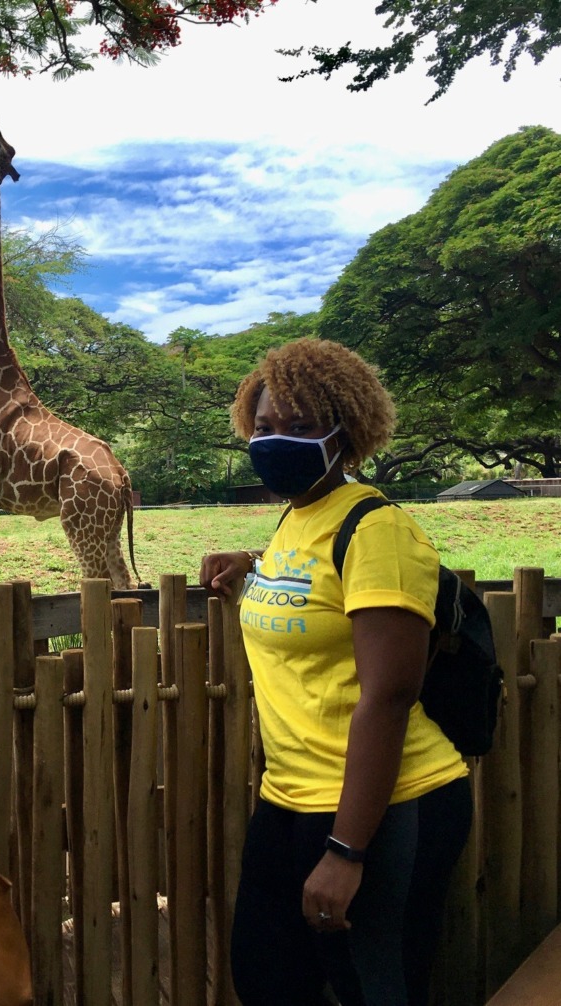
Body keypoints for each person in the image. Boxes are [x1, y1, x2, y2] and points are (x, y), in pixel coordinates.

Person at [200, 340, 472, 1006]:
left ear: (345, 432)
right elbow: (314, 594)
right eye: (264, 428)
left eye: (298, 427)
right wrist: (251, 564)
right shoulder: (297, 518)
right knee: (266, 978)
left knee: (372, 989)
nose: (275, 441)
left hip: (385, 806)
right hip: (289, 795)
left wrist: (347, 850)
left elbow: (389, 693)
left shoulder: (378, 530)